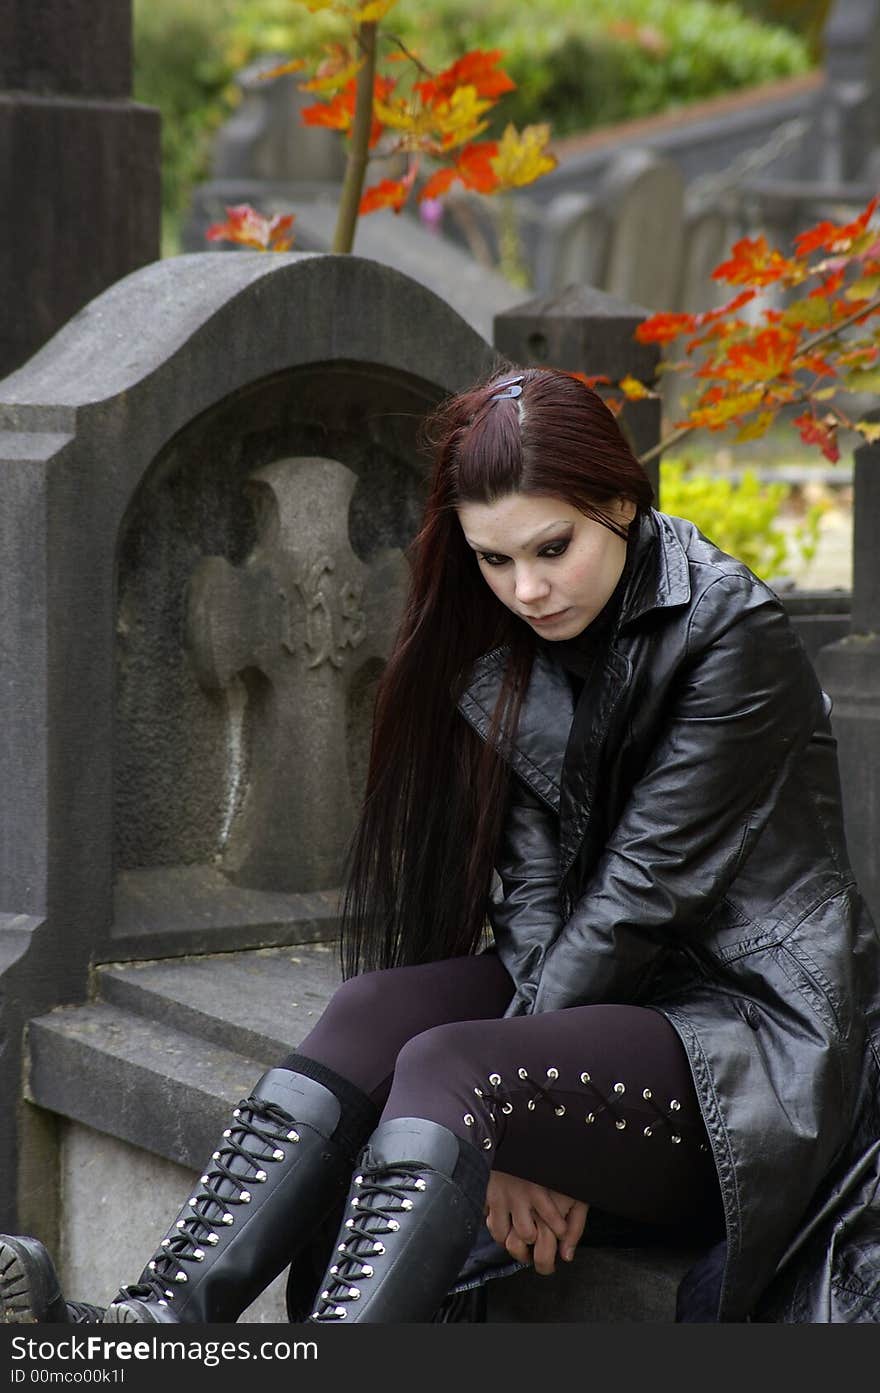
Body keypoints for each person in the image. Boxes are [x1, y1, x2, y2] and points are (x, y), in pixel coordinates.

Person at [3, 365, 880, 1325]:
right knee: (371, 1008)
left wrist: (514, 1131)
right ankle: (158, 1321)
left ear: (622, 501)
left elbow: (641, 897)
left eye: (554, 548)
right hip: (611, 1000)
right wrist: (525, 1120)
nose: (529, 588)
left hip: (749, 1039)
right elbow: (539, 902)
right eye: (494, 560)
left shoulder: (729, 632)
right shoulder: (512, 642)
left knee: (457, 1067)